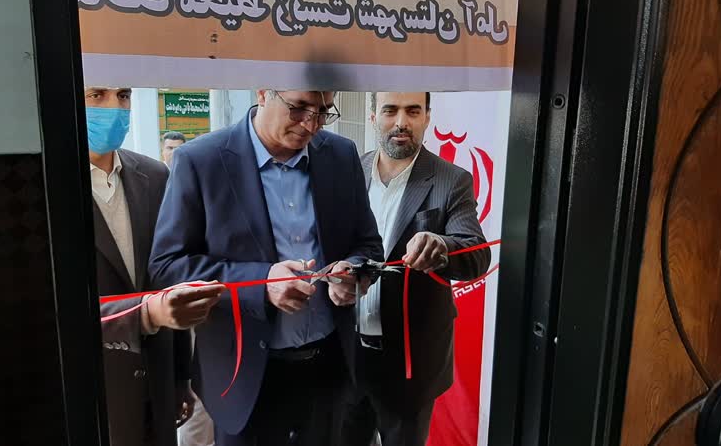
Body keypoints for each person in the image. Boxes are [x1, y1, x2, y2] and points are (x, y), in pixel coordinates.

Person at [148, 90, 383, 446]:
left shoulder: (340, 154)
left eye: (323, 111)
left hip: (328, 370)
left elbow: (368, 246)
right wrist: (261, 283)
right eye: (298, 108)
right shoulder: (202, 160)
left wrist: (352, 272)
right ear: (262, 92)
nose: (311, 124)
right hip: (245, 378)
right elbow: (167, 266)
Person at [340, 92, 490, 446]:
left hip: (410, 363)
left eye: (412, 111)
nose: (401, 122)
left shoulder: (452, 179)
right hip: (348, 355)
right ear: (373, 116)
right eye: (390, 110)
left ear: (427, 117)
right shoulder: (348, 171)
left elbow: (476, 254)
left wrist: (442, 247)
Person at [85, 86, 226, 446]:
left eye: (123, 95)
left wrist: (180, 377)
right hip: (96, 384)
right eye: (96, 95)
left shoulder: (153, 175)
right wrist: (145, 313)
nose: (114, 108)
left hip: (158, 382)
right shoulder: (41, 181)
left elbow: (168, 278)